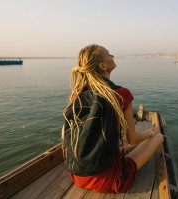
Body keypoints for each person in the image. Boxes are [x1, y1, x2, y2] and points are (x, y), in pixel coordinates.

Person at [61, 44, 164, 193]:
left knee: (124, 147)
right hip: (108, 179)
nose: (113, 56)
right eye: (109, 54)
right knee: (159, 137)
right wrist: (150, 133)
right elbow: (133, 139)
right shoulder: (121, 94)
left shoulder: (77, 93)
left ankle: (122, 152)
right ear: (103, 66)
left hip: (77, 175)